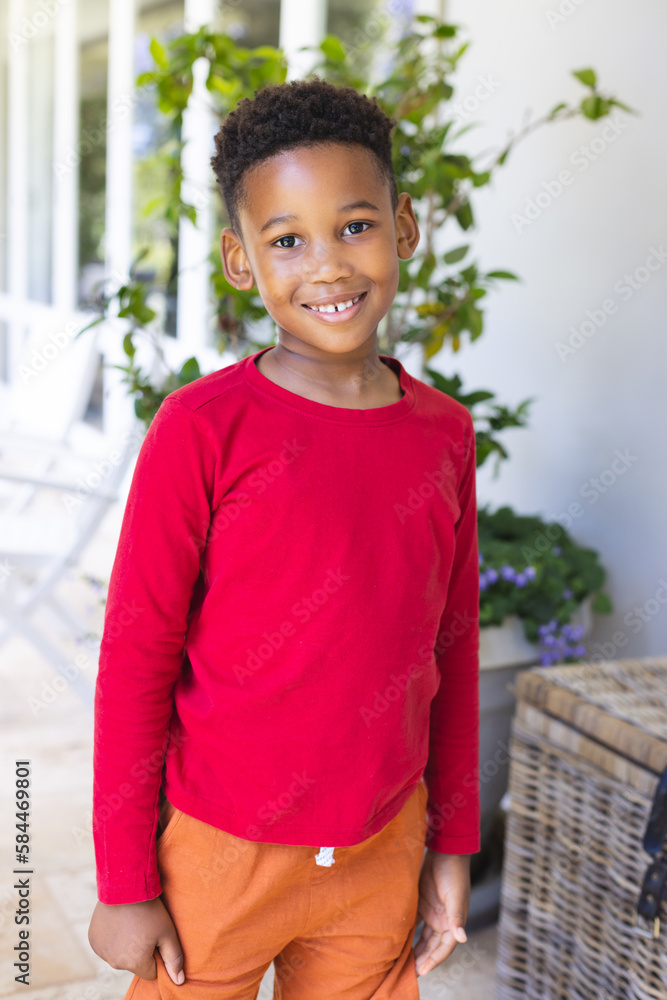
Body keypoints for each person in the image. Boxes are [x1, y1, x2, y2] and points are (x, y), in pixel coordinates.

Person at [88, 78, 480, 1000]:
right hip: (219, 852)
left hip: (382, 847)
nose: (328, 266)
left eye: (355, 226)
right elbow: (137, 656)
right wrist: (123, 882)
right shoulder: (200, 429)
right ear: (240, 260)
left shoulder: (443, 434)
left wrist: (450, 844)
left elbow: (452, 650)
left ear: (403, 227)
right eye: (287, 240)